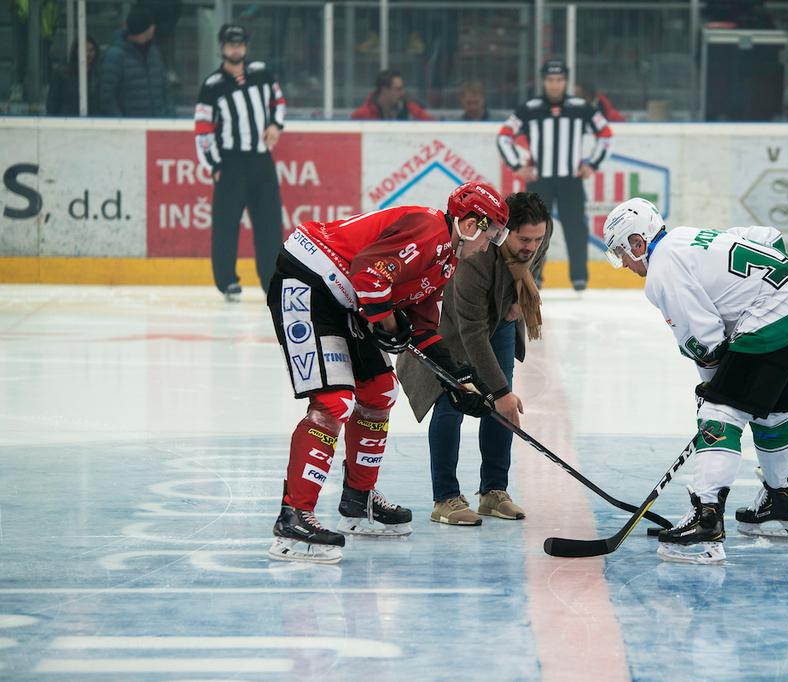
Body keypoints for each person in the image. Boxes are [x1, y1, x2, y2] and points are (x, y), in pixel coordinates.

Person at [266, 182, 510, 564]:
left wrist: (458, 380)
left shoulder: (446, 261)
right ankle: (293, 517)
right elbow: (369, 276)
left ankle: (357, 501)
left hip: (347, 300)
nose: (491, 243)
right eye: (492, 232)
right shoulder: (429, 228)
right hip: (308, 281)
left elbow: (423, 328)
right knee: (334, 402)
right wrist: (388, 324)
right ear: (470, 224)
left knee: (380, 391)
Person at [601, 198, 788, 564]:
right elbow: (768, 238)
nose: (624, 265)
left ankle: (705, 524)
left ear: (637, 242)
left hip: (773, 323)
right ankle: (781, 504)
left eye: (621, 253)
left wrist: (715, 391)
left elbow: (705, 341)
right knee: (769, 412)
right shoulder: (692, 237)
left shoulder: (662, 270)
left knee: (720, 412)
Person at [395, 192, 549, 525]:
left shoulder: (535, 240)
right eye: (525, 239)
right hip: (453, 328)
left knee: (501, 402)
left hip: (500, 322)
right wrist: (500, 393)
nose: (533, 246)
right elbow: (472, 333)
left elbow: (537, 255)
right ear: (504, 231)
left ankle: (494, 492)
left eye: (538, 238)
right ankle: (445, 498)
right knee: (454, 400)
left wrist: (517, 296)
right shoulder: (474, 260)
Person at [497, 59, 613, 291]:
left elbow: (606, 133)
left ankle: (579, 278)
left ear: (566, 81)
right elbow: (504, 135)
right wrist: (517, 166)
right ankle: (534, 275)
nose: (554, 85)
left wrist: (592, 165)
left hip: (571, 179)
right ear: (543, 81)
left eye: (559, 80)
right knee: (534, 228)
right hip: (540, 181)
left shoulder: (580, 107)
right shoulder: (530, 108)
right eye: (550, 80)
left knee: (576, 227)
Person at [194, 24, 286, 301]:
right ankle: (227, 281)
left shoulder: (262, 73)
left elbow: (278, 101)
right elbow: (203, 129)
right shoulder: (213, 86)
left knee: (270, 224)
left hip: (261, 160)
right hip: (232, 163)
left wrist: (275, 124)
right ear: (222, 47)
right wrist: (215, 165)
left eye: (240, 44)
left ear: (246, 46)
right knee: (226, 224)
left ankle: (271, 280)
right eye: (231, 44)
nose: (236, 49)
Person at [97, 5, 172, 117]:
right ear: (148, 29)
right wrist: (121, 124)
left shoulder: (154, 53)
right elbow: (106, 97)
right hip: (130, 128)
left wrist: (169, 118)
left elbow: (165, 91)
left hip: (157, 125)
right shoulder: (115, 56)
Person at [352, 69, 434, 121]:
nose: (402, 93)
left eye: (402, 88)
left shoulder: (409, 107)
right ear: (384, 90)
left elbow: (431, 123)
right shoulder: (364, 114)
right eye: (398, 89)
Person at [46, 37, 99, 116]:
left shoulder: (98, 74)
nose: (87, 54)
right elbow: (52, 102)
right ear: (76, 51)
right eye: (83, 50)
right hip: (66, 122)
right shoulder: (61, 73)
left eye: (90, 50)